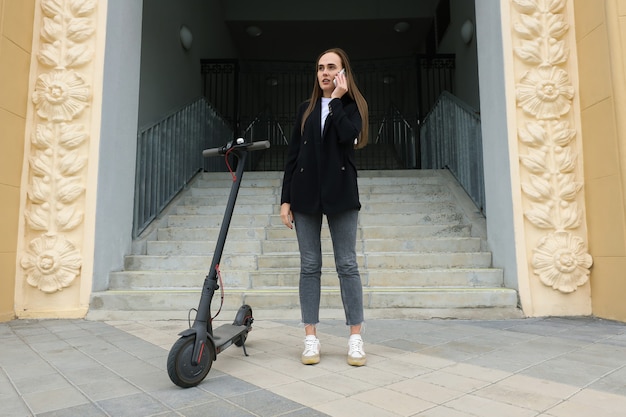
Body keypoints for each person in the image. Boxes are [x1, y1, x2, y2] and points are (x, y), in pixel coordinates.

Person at [280, 47, 369, 366]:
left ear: (344, 72)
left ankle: (355, 338)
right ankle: (310, 338)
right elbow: (293, 156)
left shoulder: (352, 107)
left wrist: (335, 102)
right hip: (305, 195)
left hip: (341, 193)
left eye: (332, 67)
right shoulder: (305, 108)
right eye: (320, 68)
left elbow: (349, 137)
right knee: (309, 266)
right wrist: (285, 199)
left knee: (347, 264)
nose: (325, 73)